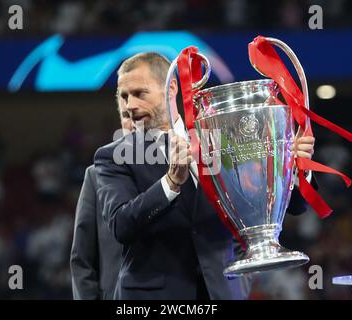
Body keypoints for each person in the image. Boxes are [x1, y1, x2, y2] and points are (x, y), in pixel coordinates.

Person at [94, 52, 316, 300]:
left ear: (171, 88)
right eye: (123, 97)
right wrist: (170, 184)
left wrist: (292, 166)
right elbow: (120, 226)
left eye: (139, 93)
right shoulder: (114, 156)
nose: (129, 105)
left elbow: (295, 205)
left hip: (223, 291)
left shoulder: (223, 137)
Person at [70, 103, 134, 300]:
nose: (133, 123)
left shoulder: (175, 175)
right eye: (126, 116)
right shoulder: (95, 176)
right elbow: (82, 261)